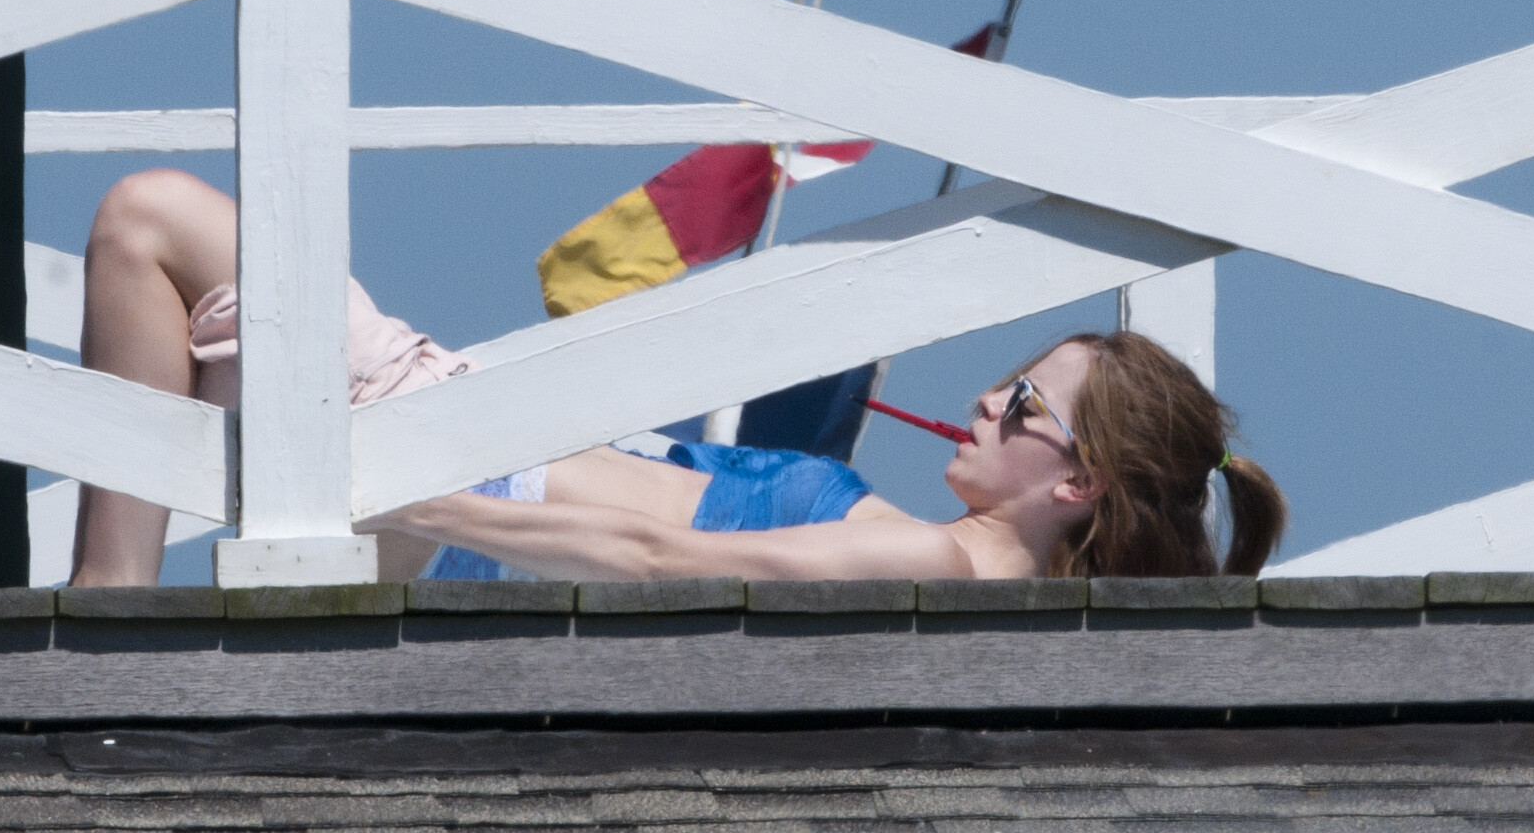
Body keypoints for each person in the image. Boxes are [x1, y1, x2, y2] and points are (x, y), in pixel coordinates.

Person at [66, 169, 1288, 587]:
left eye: (1019, 401)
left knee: (148, 216)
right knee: (158, 247)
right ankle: (108, 607)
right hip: (444, 478)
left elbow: (657, 558)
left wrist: (399, 486)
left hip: (437, 472)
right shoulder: (915, 549)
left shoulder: (928, 559)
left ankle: (105, 607)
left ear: (1077, 482)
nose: (983, 397)